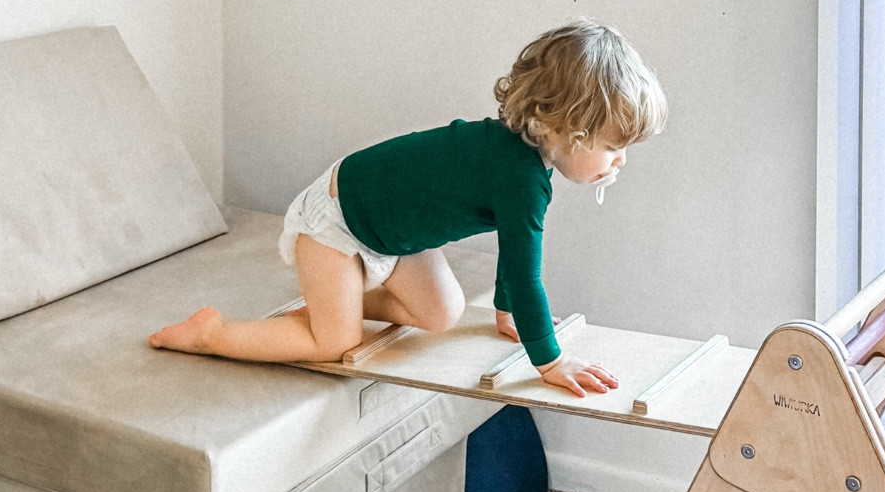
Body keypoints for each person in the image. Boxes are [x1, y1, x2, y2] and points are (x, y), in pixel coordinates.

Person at [148, 20, 666, 399]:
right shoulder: (520, 178)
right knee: (335, 340)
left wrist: (507, 313)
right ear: (562, 127)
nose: (619, 162)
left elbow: (515, 257)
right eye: (611, 145)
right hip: (337, 222)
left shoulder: (529, 166)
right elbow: (527, 275)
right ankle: (210, 332)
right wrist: (549, 360)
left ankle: (335, 295)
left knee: (442, 313)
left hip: (391, 238)